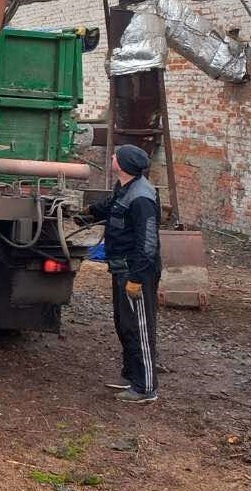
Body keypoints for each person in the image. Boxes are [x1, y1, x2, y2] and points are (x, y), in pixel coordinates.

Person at [86, 143, 162, 403]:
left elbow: (148, 243)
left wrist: (137, 279)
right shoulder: (125, 188)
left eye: (116, 155)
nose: (112, 157)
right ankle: (131, 375)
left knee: (140, 327)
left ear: (125, 164)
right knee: (124, 324)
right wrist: (85, 214)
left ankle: (146, 388)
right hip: (121, 268)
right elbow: (109, 207)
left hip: (136, 272)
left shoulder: (142, 198)